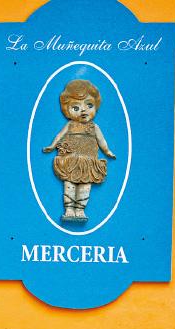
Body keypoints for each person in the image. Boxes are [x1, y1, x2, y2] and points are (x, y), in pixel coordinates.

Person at [42, 78, 117, 223]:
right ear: (67, 110)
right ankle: (69, 209)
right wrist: (52, 146)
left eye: (88, 105)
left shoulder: (94, 127)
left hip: (88, 161)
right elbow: (59, 136)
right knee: (69, 184)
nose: (83, 110)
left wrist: (107, 152)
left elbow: (102, 141)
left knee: (85, 186)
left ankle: (80, 210)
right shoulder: (70, 125)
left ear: (96, 106)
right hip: (71, 160)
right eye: (75, 107)